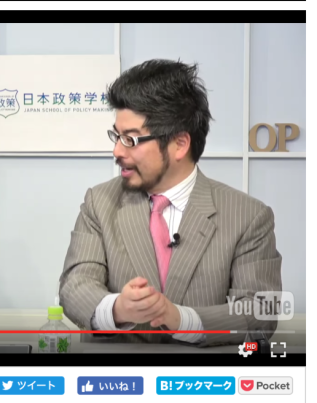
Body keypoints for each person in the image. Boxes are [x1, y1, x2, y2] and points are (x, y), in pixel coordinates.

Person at [59, 60, 282, 346]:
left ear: (180, 144)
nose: (117, 151)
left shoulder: (248, 216)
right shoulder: (99, 203)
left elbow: (260, 313)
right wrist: (117, 309)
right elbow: (75, 286)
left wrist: (182, 319)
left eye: (131, 140)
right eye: (116, 136)